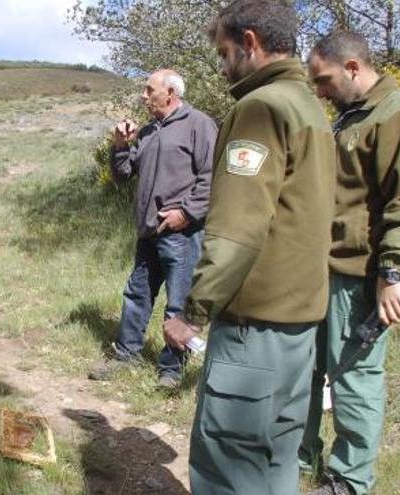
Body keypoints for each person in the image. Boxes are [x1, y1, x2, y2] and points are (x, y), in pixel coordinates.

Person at [162, 1, 336, 493]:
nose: (221, 66)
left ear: (251, 42)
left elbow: (237, 230)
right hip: (300, 324)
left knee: (228, 464)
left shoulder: (261, 108)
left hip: (253, 328)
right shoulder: (311, 109)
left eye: (223, 52)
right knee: (276, 459)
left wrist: (192, 312)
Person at [299, 31, 400, 495]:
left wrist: (393, 272)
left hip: (360, 276)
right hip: (322, 269)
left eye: (323, 80)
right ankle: (300, 458)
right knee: (305, 368)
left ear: (354, 68)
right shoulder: (348, 119)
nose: (319, 91)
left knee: (354, 377)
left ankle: (348, 479)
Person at [87, 69, 216, 390]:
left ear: (170, 93)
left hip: (181, 234)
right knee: (137, 294)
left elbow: (211, 177)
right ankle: (126, 355)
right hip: (148, 231)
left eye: (149, 90)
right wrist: (119, 144)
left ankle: (170, 371)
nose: (144, 96)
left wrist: (185, 213)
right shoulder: (146, 132)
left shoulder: (198, 124)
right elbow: (122, 174)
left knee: (178, 304)